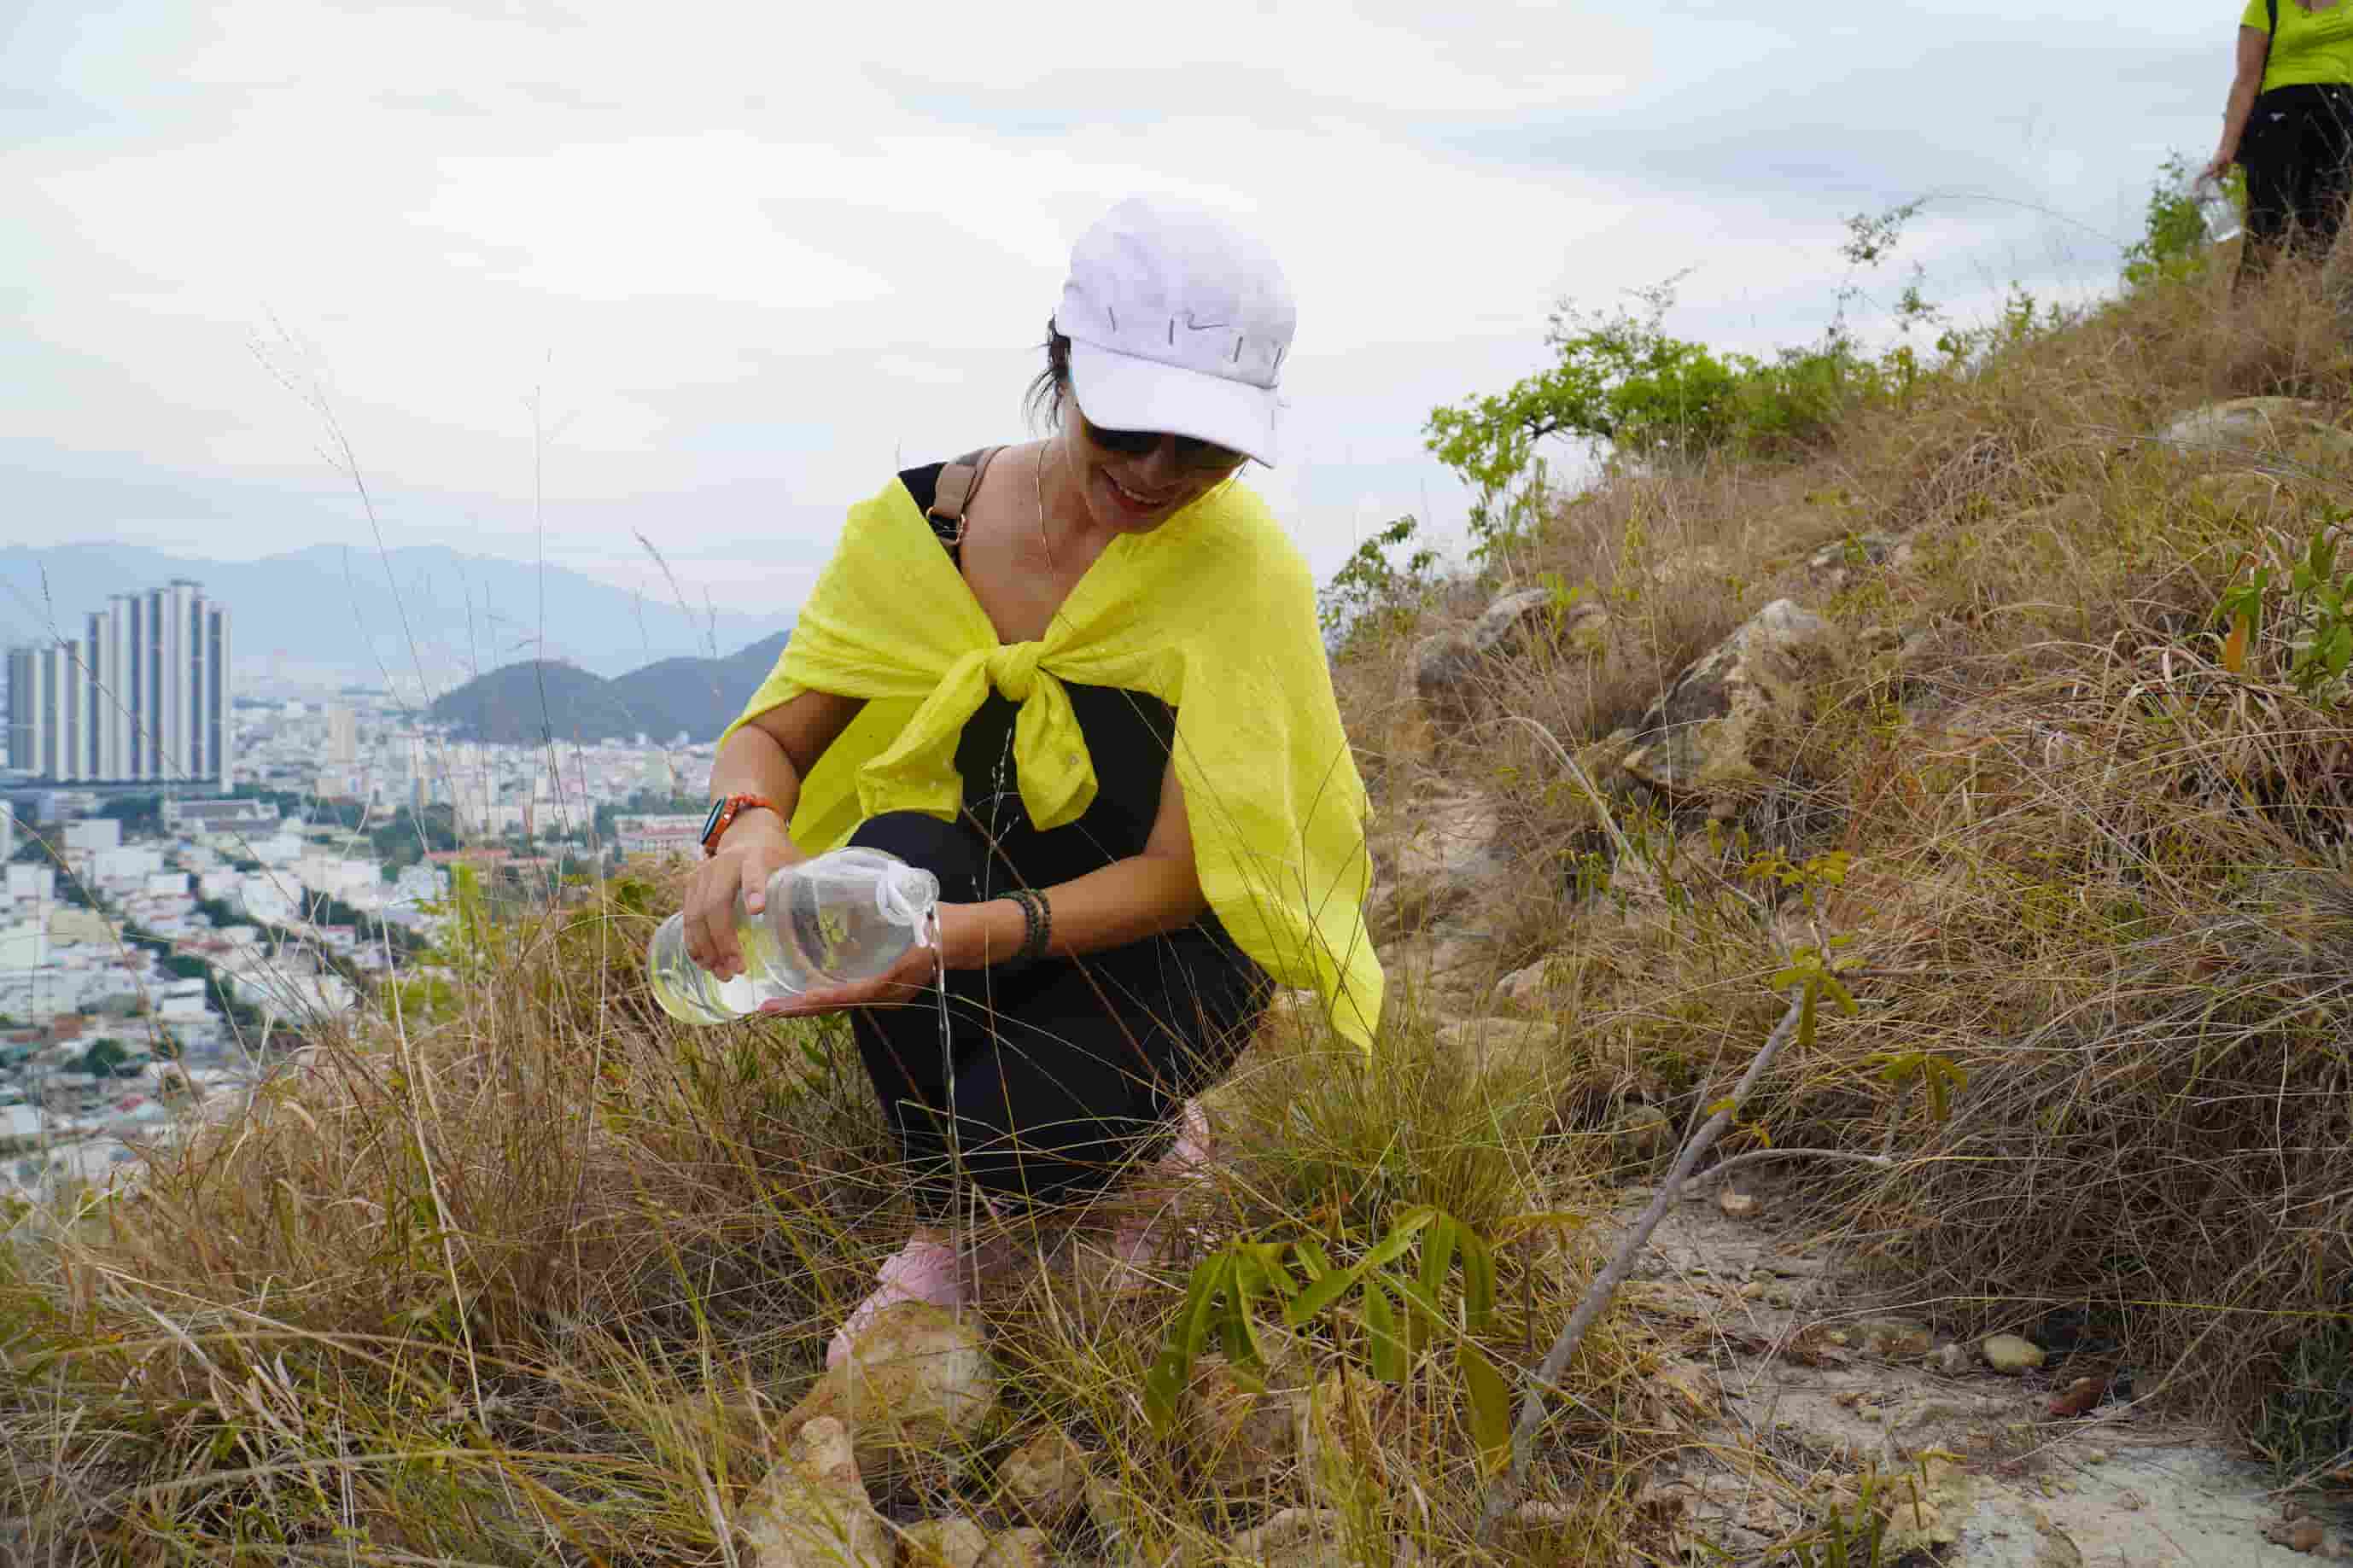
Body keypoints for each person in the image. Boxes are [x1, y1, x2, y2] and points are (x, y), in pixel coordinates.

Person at [684, 197, 1385, 1368]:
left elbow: (1185, 874)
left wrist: (957, 938)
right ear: (1059, 365)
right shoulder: (924, 524)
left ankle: (1138, 1156)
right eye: (1130, 429)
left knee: (1019, 1124)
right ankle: (966, 1223)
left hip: (1169, 941)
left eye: (1203, 446)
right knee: (879, 875)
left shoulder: (1240, 569)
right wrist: (745, 828)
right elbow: (773, 740)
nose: (1160, 474)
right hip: (975, 890)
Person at [2208, 0, 2353, 283]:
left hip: (2337, 124)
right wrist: (2226, 148)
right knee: (2265, 235)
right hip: (2277, 126)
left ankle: (2295, 321)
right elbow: (2246, 81)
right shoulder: (2266, 6)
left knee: (2318, 237)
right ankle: (2243, 322)